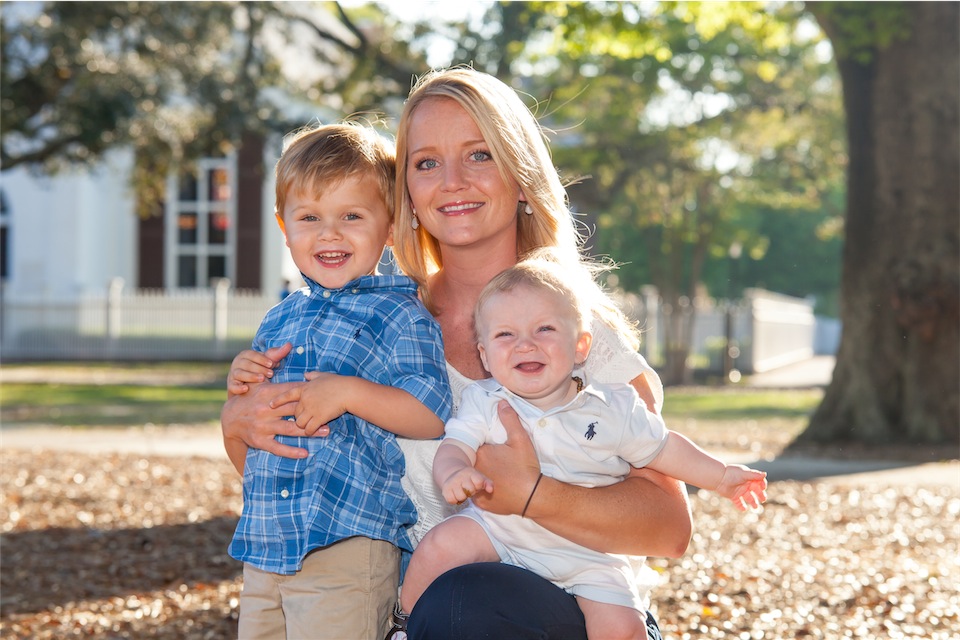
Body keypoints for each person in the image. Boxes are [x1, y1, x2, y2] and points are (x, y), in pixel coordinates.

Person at [221, 66, 693, 640]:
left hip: (577, 611)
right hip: (407, 615)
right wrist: (242, 423)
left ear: (521, 177)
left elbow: (670, 527)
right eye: (425, 163)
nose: (451, 181)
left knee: (466, 597)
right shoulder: (377, 324)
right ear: (406, 197)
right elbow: (303, 470)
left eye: (478, 155)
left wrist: (532, 495)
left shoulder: (572, 332)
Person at [399, 254, 768, 640]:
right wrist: (455, 472)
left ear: (580, 346)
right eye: (505, 335)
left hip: (589, 551)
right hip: (501, 531)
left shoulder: (612, 406)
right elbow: (455, 446)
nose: (525, 345)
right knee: (440, 546)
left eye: (544, 330)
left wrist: (722, 477)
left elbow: (665, 448)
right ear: (485, 356)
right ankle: (403, 624)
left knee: (624, 628)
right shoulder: (486, 400)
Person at [224, 121, 452, 639]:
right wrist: (242, 382)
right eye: (310, 217)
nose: (329, 233)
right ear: (285, 229)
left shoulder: (399, 314)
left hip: (347, 543)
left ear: (390, 228)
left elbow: (431, 412)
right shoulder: (279, 319)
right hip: (267, 543)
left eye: (352, 216)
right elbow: (250, 429)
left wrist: (350, 393)